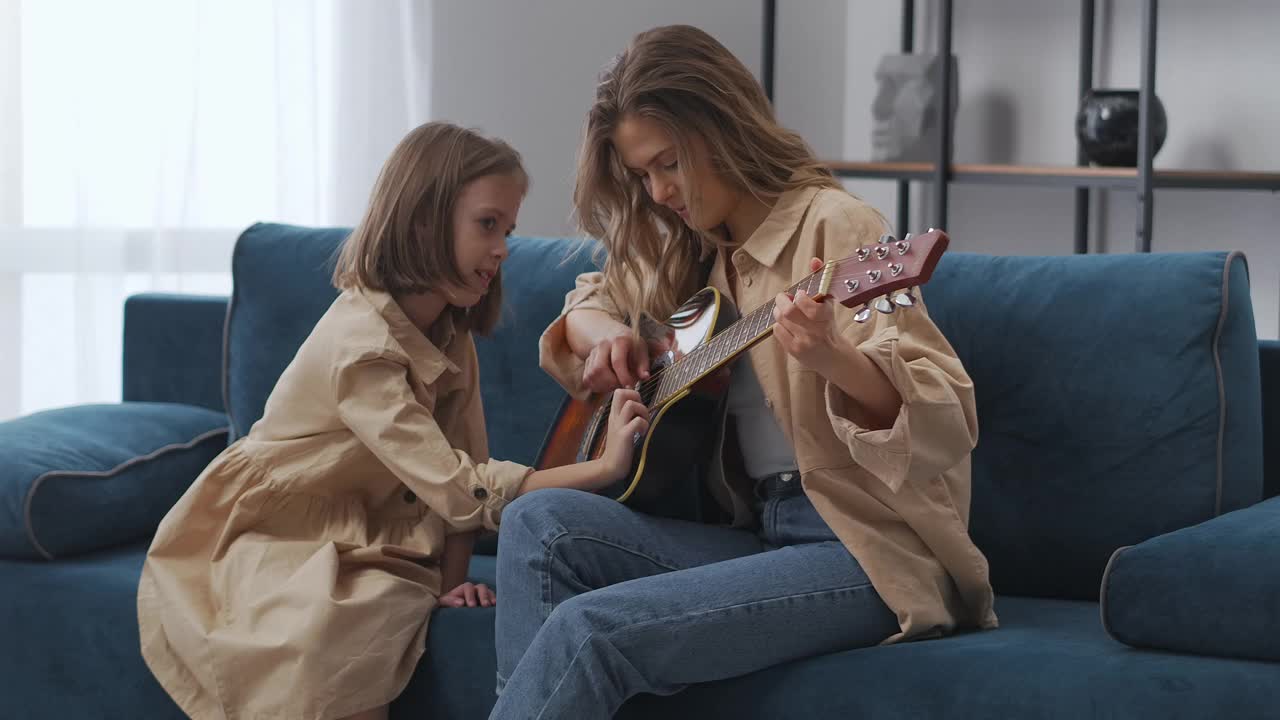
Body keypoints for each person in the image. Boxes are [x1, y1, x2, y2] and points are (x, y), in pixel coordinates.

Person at [491, 25, 997, 719]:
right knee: (536, 521)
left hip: (859, 548)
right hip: (757, 532)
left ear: (721, 126)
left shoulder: (838, 230)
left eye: (668, 163)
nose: (659, 190)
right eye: (642, 174)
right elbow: (589, 300)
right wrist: (606, 332)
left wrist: (830, 356)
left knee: (590, 630)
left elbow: (945, 415)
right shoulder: (693, 245)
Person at [136, 122, 649, 720]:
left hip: (375, 533)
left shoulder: (449, 331)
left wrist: (451, 582)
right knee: (323, 639)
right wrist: (604, 466)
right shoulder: (363, 346)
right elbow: (462, 487)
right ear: (424, 222)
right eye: (487, 224)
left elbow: (463, 470)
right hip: (279, 527)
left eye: (507, 230)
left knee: (380, 609)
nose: (503, 248)